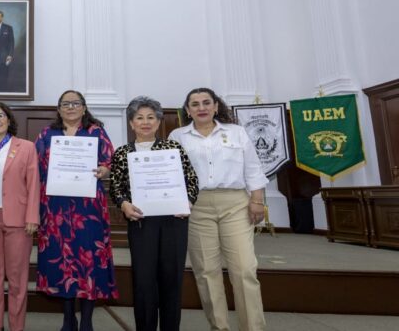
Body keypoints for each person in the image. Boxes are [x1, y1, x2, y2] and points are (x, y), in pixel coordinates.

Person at [168, 88, 268, 331]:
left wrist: (257, 200)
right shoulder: (178, 135)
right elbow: (170, 173)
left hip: (235, 205)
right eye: (195, 104)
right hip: (196, 207)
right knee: (206, 272)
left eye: (206, 102)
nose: (201, 107)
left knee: (244, 269)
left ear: (215, 106)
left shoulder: (236, 132)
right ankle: (219, 327)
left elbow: (253, 168)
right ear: (188, 110)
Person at [109, 96, 199, 331]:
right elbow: (116, 186)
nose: (145, 122)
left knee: (171, 279)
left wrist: (187, 202)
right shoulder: (121, 153)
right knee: (144, 281)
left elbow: (191, 179)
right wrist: (124, 204)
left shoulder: (173, 148)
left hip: (174, 221)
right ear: (131, 123)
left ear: (159, 122)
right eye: (139, 118)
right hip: (141, 223)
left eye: (151, 117)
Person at [35, 90, 119, 331]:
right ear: (58, 109)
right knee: (62, 261)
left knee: (89, 260)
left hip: (88, 209)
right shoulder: (46, 134)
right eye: (65, 104)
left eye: (76, 103)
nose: (71, 107)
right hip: (55, 209)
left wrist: (104, 171)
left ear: (84, 108)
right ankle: (68, 317)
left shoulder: (96, 132)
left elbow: (109, 163)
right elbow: (35, 169)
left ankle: (87, 320)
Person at [0, 101, 40, 331]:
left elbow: (34, 185)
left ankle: (16, 326)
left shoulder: (26, 147)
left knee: (17, 279)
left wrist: (32, 216)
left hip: (19, 220)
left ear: (9, 120)